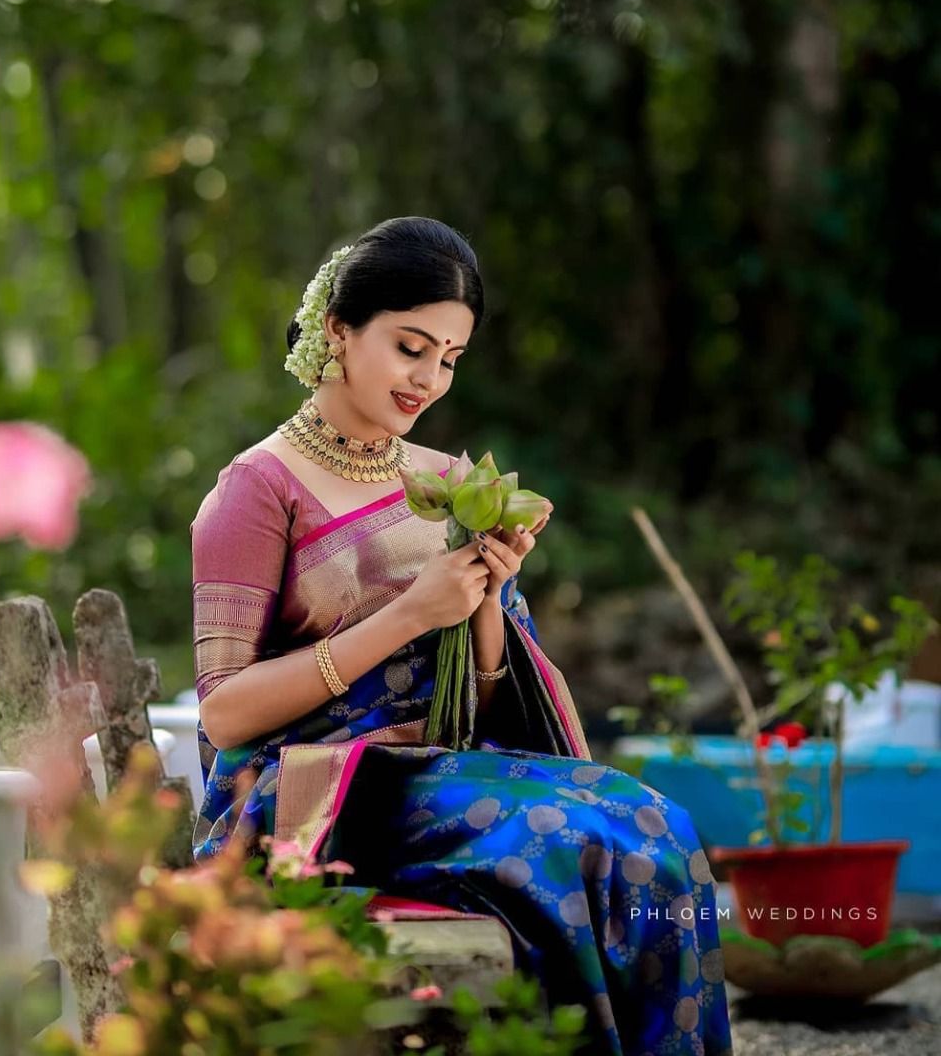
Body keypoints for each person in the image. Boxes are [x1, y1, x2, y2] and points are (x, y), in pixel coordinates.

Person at [190, 216, 734, 1056]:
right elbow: (225, 717)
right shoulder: (256, 491)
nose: (429, 380)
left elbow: (476, 703)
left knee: (657, 823)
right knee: (573, 842)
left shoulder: (448, 481)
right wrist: (409, 614)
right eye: (411, 347)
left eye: (449, 359)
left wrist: (487, 597)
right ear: (338, 329)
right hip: (308, 795)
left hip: (431, 768)